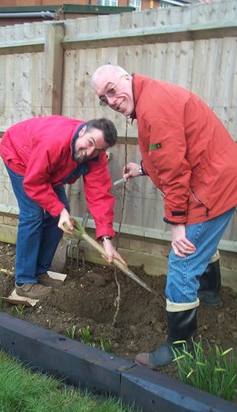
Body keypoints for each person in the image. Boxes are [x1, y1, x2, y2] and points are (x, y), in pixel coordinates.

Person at [92, 64, 237, 368]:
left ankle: (180, 348)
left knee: (182, 261)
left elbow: (174, 171)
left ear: (126, 79)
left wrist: (177, 225)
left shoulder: (153, 109)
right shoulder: (151, 98)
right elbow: (175, 151)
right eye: (105, 99)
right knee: (199, 244)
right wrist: (142, 168)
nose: (112, 100)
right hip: (220, 178)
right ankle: (210, 298)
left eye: (112, 90)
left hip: (210, 188)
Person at [0, 115, 126, 300]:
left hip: (50, 169)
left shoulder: (95, 157)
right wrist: (60, 211)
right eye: (89, 142)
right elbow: (34, 182)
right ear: (83, 130)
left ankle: (40, 271)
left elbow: (100, 196)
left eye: (97, 149)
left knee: (59, 217)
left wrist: (106, 240)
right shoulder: (54, 140)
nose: (89, 152)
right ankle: (24, 282)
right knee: (33, 215)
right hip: (20, 155)